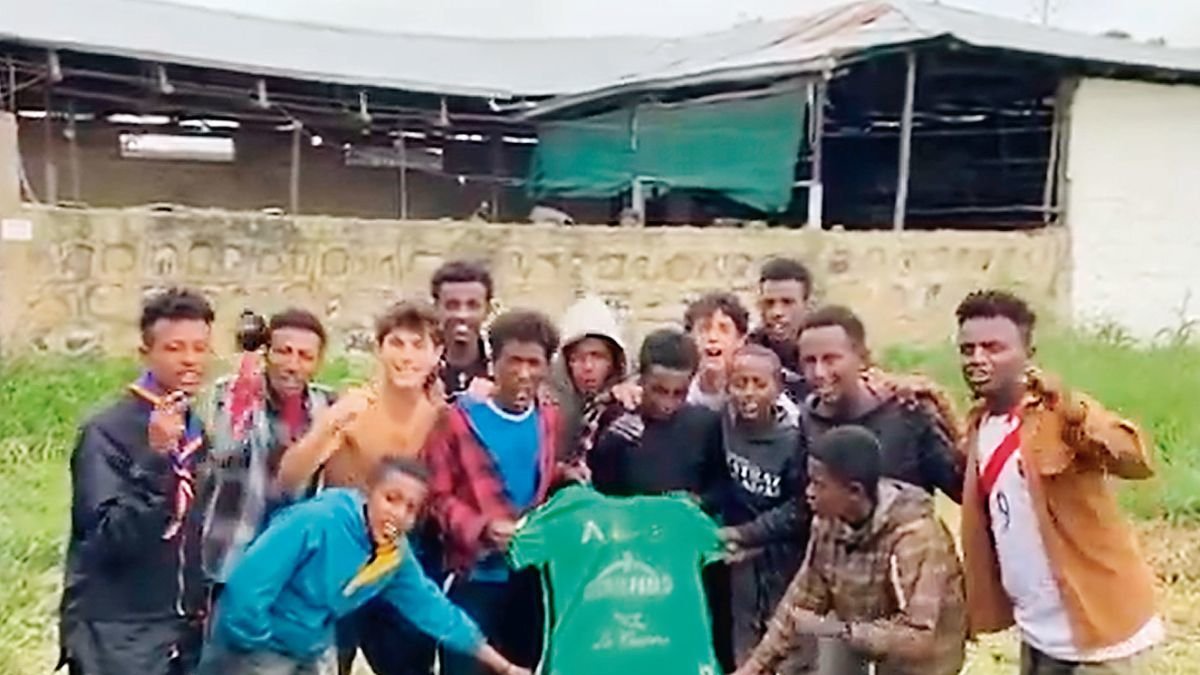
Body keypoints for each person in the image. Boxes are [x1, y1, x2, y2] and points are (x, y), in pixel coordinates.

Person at [956, 290, 1162, 674]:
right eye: (968, 349)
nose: (978, 359)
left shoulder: (1058, 414)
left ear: (1028, 353)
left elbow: (1135, 460)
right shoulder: (979, 427)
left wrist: (1073, 409)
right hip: (1039, 633)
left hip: (1104, 637)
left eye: (993, 347)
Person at [197, 458, 530, 675]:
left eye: (411, 508)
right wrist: (253, 642)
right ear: (370, 493)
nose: (398, 515)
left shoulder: (393, 555)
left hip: (309, 646)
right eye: (391, 499)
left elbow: (435, 610)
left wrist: (502, 666)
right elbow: (251, 585)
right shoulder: (319, 520)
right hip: (256, 645)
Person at [276, 300, 447, 675]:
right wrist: (327, 426)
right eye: (396, 344)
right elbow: (288, 480)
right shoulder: (352, 407)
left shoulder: (442, 418)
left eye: (418, 345)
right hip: (342, 555)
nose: (406, 356)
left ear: (437, 353)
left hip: (406, 559)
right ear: (379, 348)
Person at [59, 287, 215, 675]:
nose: (191, 360)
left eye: (200, 347)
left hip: (183, 628)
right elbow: (108, 538)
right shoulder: (107, 432)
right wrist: (156, 458)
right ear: (146, 353)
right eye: (175, 348)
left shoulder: (196, 430)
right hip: (117, 631)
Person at [735, 426, 967, 675]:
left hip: (925, 661)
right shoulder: (828, 523)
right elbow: (801, 601)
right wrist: (752, 668)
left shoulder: (915, 537)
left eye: (818, 484)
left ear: (854, 492)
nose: (808, 493)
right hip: (855, 629)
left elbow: (919, 637)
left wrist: (839, 631)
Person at [424, 309, 565, 675]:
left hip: (528, 573)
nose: (523, 373)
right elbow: (435, 497)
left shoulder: (547, 416)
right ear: (493, 362)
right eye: (513, 361)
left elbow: (541, 481)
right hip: (473, 574)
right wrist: (481, 526)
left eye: (534, 363)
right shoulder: (457, 419)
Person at [200, 309, 336, 596]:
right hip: (232, 556)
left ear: (318, 362)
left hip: (293, 567)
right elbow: (224, 449)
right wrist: (245, 387)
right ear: (267, 353)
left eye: (305, 356)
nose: (292, 365)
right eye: (283, 352)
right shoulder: (231, 392)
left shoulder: (328, 405)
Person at [798, 305, 963, 502]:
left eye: (830, 359)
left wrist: (944, 408)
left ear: (861, 358)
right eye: (809, 361)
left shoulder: (908, 413)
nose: (819, 372)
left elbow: (961, 489)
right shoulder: (808, 420)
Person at [717, 345, 814, 674]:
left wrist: (748, 534)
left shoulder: (794, 437)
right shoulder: (724, 423)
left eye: (759, 384)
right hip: (741, 558)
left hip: (783, 554)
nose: (748, 393)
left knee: (785, 639)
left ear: (778, 387)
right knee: (743, 634)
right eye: (739, 383)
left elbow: (800, 507)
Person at [589, 328, 725, 505]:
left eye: (679, 393)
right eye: (658, 391)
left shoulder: (706, 425)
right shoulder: (617, 418)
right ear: (641, 378)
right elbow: (599, 490)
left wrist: (699, 501)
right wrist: (609, 444)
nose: (667, 403)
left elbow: (722, 488)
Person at [686, 291, 804, 419]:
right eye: (704, 329)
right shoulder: (681, 391)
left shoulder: (761, 385)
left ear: (740, 339)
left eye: (724, 329)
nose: (713, 337)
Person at [551, 294, 629, 468]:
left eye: (597, 356)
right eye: (577, 358)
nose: (587, 367)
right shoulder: (549, 406)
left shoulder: (625, 406)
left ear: (613, 361)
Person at [432, 260, 494, 400]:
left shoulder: (502, 369)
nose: (462, 315)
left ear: (487, 310)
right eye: (452, 305)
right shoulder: (418, 367)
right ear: (436, 308)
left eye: (473, 305)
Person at [749, 257, 813, 376]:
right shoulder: (747, 352)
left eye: (787, 302)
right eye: (769, 303)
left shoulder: (822, 353)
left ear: (807, 305)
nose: (777, 313)